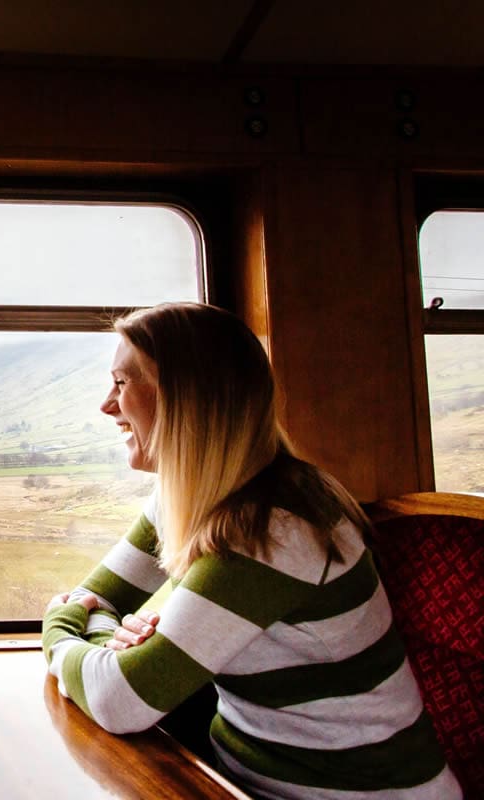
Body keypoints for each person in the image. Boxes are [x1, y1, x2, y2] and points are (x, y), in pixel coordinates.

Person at [43, 302, 460, 799]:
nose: (107, 406)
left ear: (185, 398)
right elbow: (97, 598)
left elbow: (120, 699)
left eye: (120, 383)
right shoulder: (189, 497)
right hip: (240, 777)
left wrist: (63, 630)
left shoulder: (274, 529)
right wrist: (108, 638)